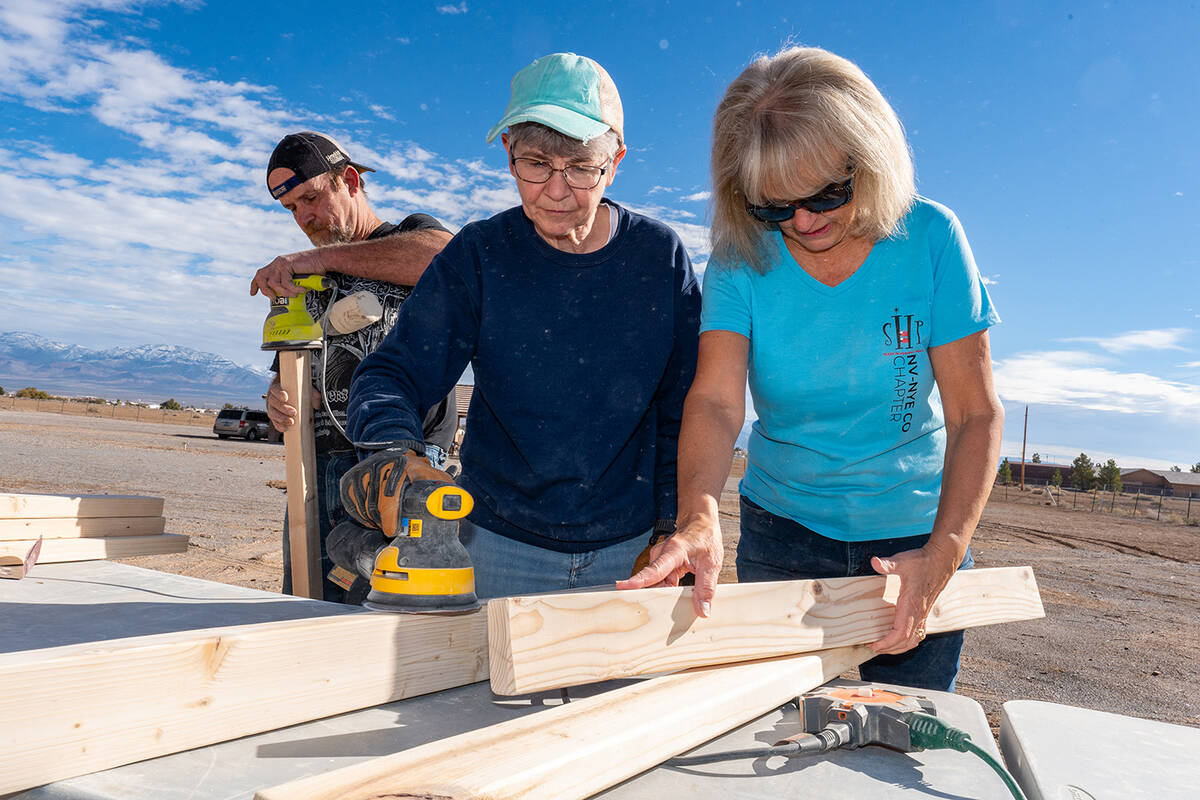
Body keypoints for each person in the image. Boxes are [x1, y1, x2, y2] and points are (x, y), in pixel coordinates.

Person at [622, 47, 1003, 692]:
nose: (803, 222)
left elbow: (975, 414)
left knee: (898, 741)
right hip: (785, 535)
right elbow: (716, 402)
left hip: (916, 535)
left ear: (871, 160)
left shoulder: (931, 238)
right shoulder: (741, 259)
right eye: (776, 206)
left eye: (828, 194)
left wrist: (945, 553)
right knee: (785, 738)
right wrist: (697, 515)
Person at [344, 53, 700, 600]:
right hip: (496, 542)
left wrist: (671, 525)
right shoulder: (481, 255)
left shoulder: (658, 258)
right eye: (535, 164)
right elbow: (393, 372)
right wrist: (394, 451)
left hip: (630, 550)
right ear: (509, 152)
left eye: (581, 168)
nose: (555, 191)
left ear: (617, 160)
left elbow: (685, 406)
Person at [253, 130, 457, 602]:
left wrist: (314, 259)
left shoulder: (410, 238)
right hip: (317, 467)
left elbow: (444, 257)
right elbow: (292, 369)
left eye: (311, 198)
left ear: (348, 180)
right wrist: (279, 399)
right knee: (306, 608)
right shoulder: (307, 279)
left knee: (392, 615)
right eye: (292, 210)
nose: (304, 217)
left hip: (403, 465)